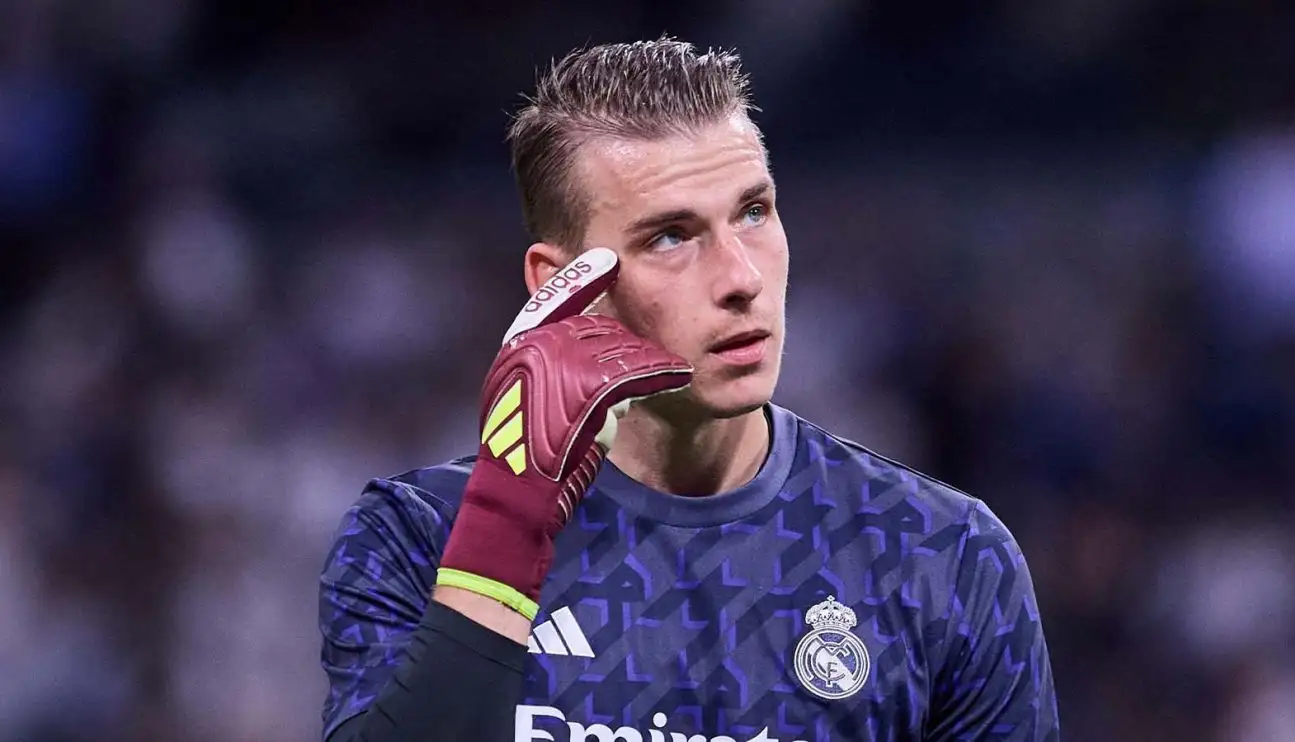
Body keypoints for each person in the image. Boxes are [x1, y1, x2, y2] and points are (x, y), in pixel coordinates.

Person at [318, 37, 1060, 742]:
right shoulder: (417, 537)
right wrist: (507, 525)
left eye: (754, 211)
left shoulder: (941, 556)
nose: (742, 278)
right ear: (562, 286)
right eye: (670, 236)